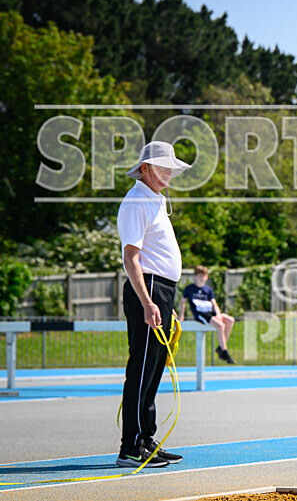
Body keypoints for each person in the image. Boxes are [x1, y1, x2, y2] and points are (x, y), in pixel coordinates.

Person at [116, 141, 190, 468]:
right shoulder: (137, 202)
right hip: (146, 286)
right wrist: (147, 301)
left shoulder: (155, 200)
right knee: (142, 368)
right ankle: (130, 446)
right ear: (145, 168)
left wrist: (165, 301)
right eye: (162, 166)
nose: (169, 172)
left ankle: (146, 440)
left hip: (160, 289)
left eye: (171, 167)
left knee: (154, 370)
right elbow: (130, 257)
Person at [179, 265, 236, 364]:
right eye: (199, 275)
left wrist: (218, 314)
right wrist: (181, 316)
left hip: (210, 312)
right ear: (195, 276)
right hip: (201, 314)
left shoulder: (208, 290)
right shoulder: (190, 288)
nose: (201, 278)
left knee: (230, 320)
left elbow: (214, 303)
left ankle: (221, 347)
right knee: (220, 325)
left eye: (203, 276)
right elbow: (182, 302)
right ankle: (225, 352)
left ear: (206, 277)